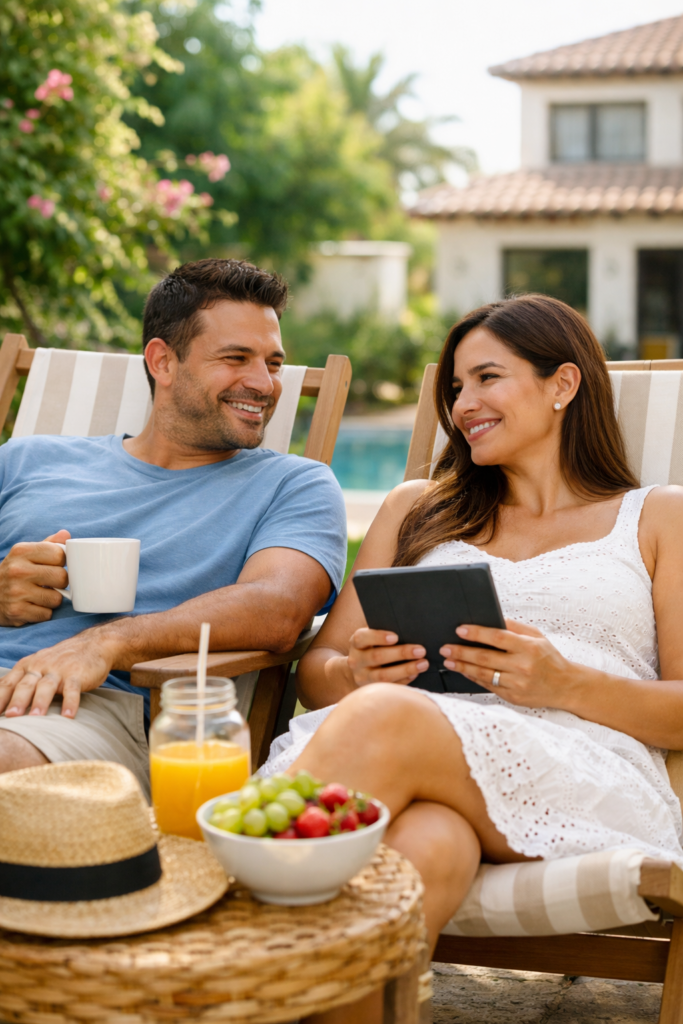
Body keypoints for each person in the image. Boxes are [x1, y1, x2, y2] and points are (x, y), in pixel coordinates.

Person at [263, 294, 683, 1024]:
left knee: (389, 717)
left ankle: (210, 949)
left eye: (487, 378)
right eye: (454, 388)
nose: (463, 405)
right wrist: (351, 673)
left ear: (562, 384)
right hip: (402, 754)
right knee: (427, 849)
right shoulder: (416, 508)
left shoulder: (655, 517)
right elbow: (316, 672)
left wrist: (565, 682)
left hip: (581, 764)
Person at [0, 258, 346, 794]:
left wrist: (106, 643)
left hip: (86, 711)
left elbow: (278, 606)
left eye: (274, 364)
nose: (264, 383)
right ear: (162, 361)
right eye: (236, 358)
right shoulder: (25, 460)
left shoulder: (294, 485)